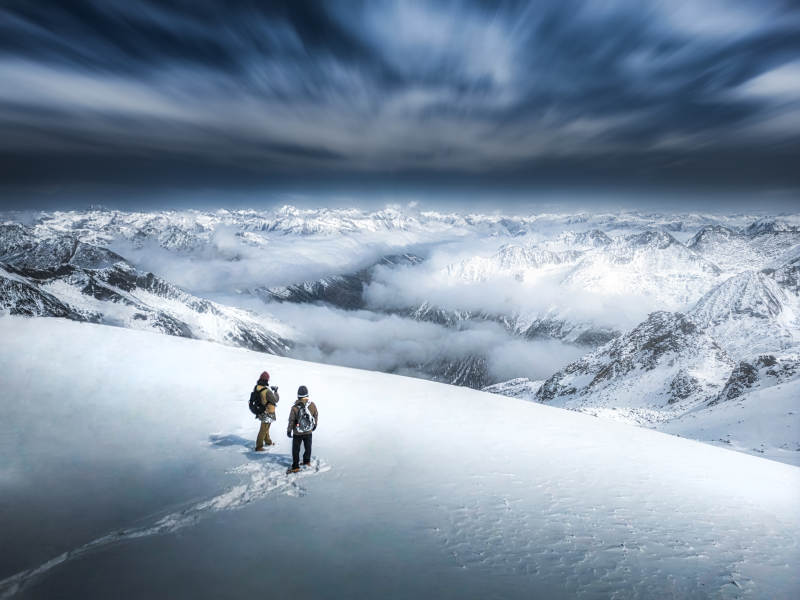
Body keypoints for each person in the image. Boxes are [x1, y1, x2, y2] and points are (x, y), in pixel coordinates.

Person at [286, 385, 318, 473]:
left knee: (296, 449)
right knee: (308, 447)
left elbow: (291, 420)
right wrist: (314, 425)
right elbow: (315, 415)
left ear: (298, 395)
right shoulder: (312, 405)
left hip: (297, 432)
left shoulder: (295, 407)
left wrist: (289, 430)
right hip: (308, 431)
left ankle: (295, 466)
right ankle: (306, 461)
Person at [254, 371, 279, 451]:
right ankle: (259, 446)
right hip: (268, 411)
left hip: (262, 410)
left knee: (266, 428)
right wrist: (275, 391)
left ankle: (268, 441)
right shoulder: (266, 390)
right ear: (267, 380)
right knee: (264, 429)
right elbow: (275, 400)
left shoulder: (257, 387)